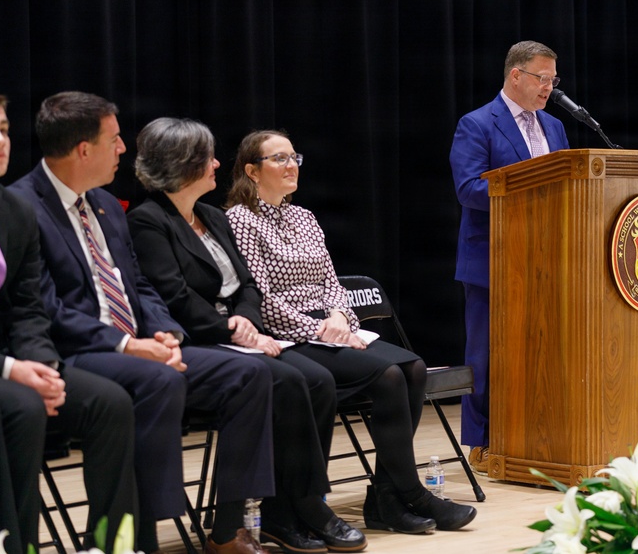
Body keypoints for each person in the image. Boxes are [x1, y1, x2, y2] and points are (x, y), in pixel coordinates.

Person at [10, 91, 275, 554]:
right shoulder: (22, 207)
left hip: (139, 345)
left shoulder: (108, 207)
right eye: (114, 140)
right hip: (76, 351)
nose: (123, 151)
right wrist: (127, 346)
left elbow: (140, 288)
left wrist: (165, 333)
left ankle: (228, 528)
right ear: (83, 149)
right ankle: (144, 534)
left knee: (249, 372)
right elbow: (45, 308)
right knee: (156, 380)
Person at [126, 119, 369, 552]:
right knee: (292, 380)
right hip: (198, 339)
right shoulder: (148, 220)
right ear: (182, 164)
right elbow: (174, 296)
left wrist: (246, 322)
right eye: (207, 157)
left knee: (316, 379)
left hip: (239, 333)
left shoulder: (211, 216)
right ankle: (255, 519)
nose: (218, 163)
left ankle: (299, 505)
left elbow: (248, 285)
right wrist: (233, 330)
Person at [224, 129, 477, 534]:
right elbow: (262, 298)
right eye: (279, 159)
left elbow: (331, 282)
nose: (291, 166)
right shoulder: (240, 220)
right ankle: (409, 493)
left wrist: (341, 317)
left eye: (294, 157)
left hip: (330, 326)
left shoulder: (304, 217)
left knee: (412, 367)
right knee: (389, 375)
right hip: (287, 335)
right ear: (252, 171)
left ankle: (388, 497)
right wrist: (319, 329)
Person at [0, 87, 136, 554]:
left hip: (14, 360)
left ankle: (112, 545)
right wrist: (14, 371)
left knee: (109, 403)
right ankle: (8, 545)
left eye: (3, 129)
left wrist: (41, 367)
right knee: (10, 407)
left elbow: (28, 307)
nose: (0, 141)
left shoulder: (13, 210)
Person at [448, 40, 570, 472]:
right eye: (542, 78)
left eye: (554, 80)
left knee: (543, 350)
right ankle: (481, 441)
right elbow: (468, 189)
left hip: (550, 260)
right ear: (515, 76)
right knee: (486, 353)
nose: (548, 88)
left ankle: (534, 432)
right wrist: (535, 193)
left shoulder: (554, 127)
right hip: (493, 259)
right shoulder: (477, 123)